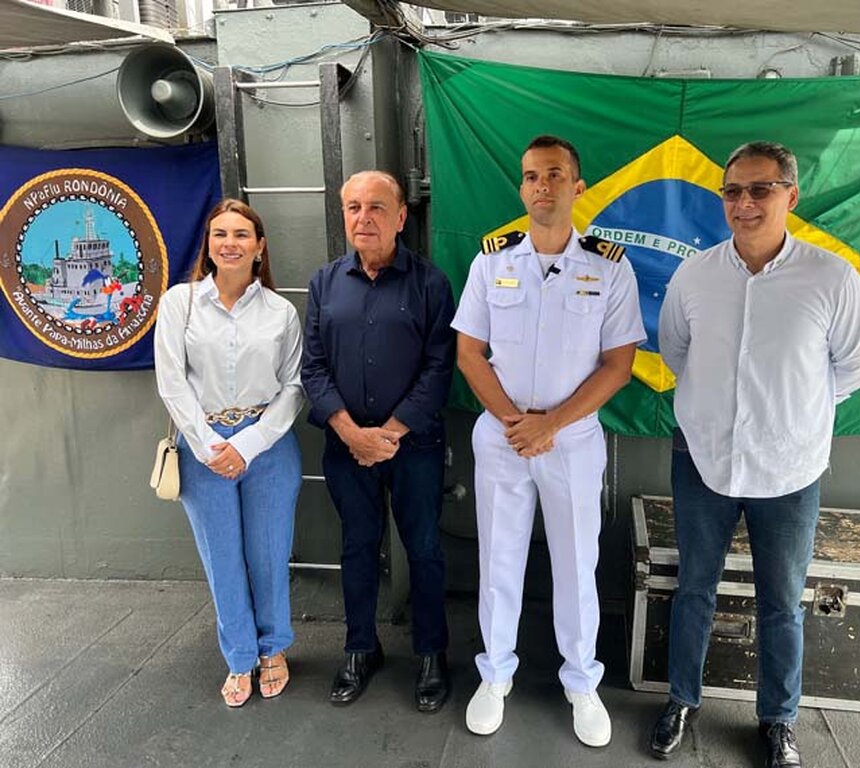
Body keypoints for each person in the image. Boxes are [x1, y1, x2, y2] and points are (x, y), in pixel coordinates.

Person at [650, 142, 860, 767]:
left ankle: (778, 720)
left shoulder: (832, 279)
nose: (744, 203)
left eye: (761, 190)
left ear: (791, 196)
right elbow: (676, 351)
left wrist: (788, 409)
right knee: (694, 587)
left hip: (789, 468)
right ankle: (681, 700)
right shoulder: (694, 275)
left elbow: (855, 368)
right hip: (703, 460)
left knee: (783, 603)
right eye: (733, 191)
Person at [453, 135, 646, 747]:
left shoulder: (609, 265)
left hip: (572, 439)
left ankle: (582, 681)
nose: (542, 185)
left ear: (577, 186)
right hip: (504, 434)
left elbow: (619, 364)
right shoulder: (492, 262)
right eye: (532, 176)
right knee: (500, 559)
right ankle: (495, 675)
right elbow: (468, 353)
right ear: (522, 188)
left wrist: (550, 424)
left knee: (575, 563)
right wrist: (517, 421)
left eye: (555, 174)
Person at [301, 171, 456, 713]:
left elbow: (441, 369)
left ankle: (433, 655)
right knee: (357, 548)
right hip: (347, 448)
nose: (362, 218)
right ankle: (360, 648)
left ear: (400, 217)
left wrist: (387, 435)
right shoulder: (324, 283)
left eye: (375, 207)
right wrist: (350, 433)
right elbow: (313, 369)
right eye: (352, 207)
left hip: (412, 448)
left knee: (425, 550)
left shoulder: (431, 284)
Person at [154, 198, 304, 708]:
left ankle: (273, 650)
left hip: (269, 446)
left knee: (268, 555)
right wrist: (210, 443)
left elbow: (294, 388)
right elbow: (172, 382)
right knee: (222, 559)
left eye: (242, 234)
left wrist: (247, 444)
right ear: (209, 245)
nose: (230, 243)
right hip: (203, 447)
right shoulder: (180, 304)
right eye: (220, 234)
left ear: (260, 246)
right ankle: (240, 656)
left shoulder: (281, 312)